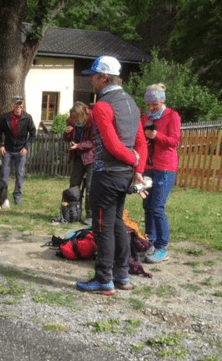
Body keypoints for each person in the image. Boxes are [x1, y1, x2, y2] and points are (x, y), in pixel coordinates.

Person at [76, 55, 147, 293]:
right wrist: (137, 169)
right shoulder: (131, 104)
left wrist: (133, 160)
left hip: (107, 174)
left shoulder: (103, 106)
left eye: (94, 77)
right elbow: (141, 142)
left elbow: (111, 145)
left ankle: (104, 279)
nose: (91, 81)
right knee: (117, 223)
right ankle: (122, 276)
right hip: (125, 174)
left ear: (104, 77)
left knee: (103, 227)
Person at [140, 83, 181, 264]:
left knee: (157, 208)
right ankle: (150, 241)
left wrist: (157, 136)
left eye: (154, 104)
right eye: (148, 104)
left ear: (162, 101)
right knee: (147, 207)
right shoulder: (144, 118)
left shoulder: (172, 116)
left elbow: (174, 141)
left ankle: (162, 247)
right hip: (148, 167)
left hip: (165, 167)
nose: (150, 108)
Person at [0, 96, 36, 205]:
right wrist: (1, 145)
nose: (18, 107)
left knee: (19, 174)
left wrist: (26, 147)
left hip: (20, 151)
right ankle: (2, 198)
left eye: (20, 105)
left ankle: (17, 197)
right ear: (12, 105)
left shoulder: (27, 118)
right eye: (16, 105)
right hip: (7, 150)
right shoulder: (5, 118)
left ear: (22, 105)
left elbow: (33, 134)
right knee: (4, 174)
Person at [64, 101, 95, 225]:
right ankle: (72, 212)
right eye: (73, 118)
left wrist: (79, 145)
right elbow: (68, 138)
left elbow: (94, 142)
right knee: (74, 186)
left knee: (90, 187)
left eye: (76, 117)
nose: (74, 120)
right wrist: (68, 133)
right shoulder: (72, 120)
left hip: (91, 158)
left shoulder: (93, 121)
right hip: (77, 157)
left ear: (83, 114)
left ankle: (90, 215)